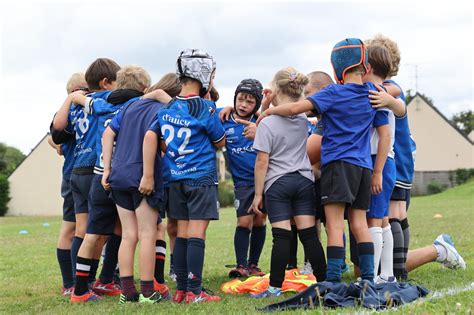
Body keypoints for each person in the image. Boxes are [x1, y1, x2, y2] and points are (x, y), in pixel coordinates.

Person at [257, 38, 405, 284]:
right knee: (359, 224)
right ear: (366, 68)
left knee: (335, 226)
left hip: (337, 167)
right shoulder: (374, 95)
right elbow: (385, 134)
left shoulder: (333, 93)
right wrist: (378, 172)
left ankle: (333, 281)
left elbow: (295, 109)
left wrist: (269, 111)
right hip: (364, 168)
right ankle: (368, 278)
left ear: (338, 68)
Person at [143, 49, 225, 304]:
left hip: (175, 178)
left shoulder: (168, 107)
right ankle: (195, 291)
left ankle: (181, 290)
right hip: (200, 179)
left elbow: (152, 135)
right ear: (203, 75)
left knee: (179, 234)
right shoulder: (205, 107)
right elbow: (220, 141)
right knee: (196, 234)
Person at [69, 65, 150, 302]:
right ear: (143, 89)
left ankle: (87, 286)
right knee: (129, 232)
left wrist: (74, 95)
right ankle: (91, 288)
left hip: (99, 175)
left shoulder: (102, 104)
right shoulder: (138, 109)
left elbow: (83, 101)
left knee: (98, 233)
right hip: (124, 176)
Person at [101, 72, 182, 304]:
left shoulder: (130, 106)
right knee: (148, 233)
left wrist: (107, 169)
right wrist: (148, 175)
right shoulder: (165, 109)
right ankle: (148, 291)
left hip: (119, 174)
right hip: (142, 175)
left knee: (129, 235)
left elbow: (108, 134)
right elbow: (152, 137)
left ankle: (128, 292)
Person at [249, 67, 327, 299]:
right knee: (309, 236)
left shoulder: (267, 124)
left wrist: (257, 194)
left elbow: (262, 161)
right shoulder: (302, 119)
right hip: (303, 180)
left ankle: (274, 287)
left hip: (278, 184)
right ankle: (324, 283)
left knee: (281, 237)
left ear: (275, 90)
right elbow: (288, 111)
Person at [53, 58, 120, 302]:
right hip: (92, 168)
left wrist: (72, 99)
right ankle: (82, 284)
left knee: (84, 230)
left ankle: (83, 283)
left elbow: (55, 134)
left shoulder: (73, 106)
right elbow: (55, 135)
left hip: (77, 170)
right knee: (98, 230)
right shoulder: (98, 101)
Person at [217, 79, 267, 279]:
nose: (243, 105)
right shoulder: (225, 118)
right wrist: (226, 107)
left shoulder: (260, 122)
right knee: (244, 222)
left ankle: (253, 264)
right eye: (240, 100)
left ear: (257, 104)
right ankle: (241, 265)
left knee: (260, 220)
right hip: (242, 183)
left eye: (249, 102)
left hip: (262, 180)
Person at [363, 45, 400, 283]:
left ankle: (376, 275)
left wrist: (377, 172)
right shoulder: (384, 91)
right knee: (383, 218)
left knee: (374, 219)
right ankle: (387, 274)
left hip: (381, 161)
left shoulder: (377, 94)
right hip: (385, 161)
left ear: (369, 67)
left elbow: (384, 136)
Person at [48, 72, 88, 296]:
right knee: (71, 228)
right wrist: (56, 145)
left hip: (87, 173)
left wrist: (55, 144)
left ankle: (85, 280)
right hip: (74, 175)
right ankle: (70, 283)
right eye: (84, 88)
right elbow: (53, 134)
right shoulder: (68, 111)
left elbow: (52, 138)